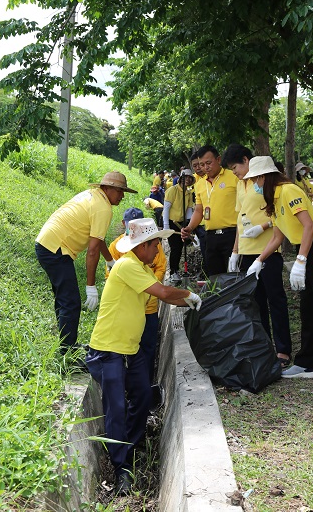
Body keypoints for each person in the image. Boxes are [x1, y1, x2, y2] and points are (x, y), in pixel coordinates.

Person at [86, 218, 202, 494]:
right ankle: (121, 468)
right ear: (142, 246)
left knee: (142, 395)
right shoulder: (127, 265)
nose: (159, 249)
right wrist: (189, 294)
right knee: (116, 407)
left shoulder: (141, 267)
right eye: (155, 244)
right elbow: (163, 292)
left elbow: (164, 296)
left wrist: (189, 300)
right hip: (109, 350)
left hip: (131, 348)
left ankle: (131, 442)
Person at [245, 156, 313, 391]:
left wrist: (301, 260)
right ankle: (305, 364)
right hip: (306, 251)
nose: (254, 184)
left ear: (265, 177)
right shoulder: (273, 198)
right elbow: (277, 236)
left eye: (255, 179)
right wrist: (259, 260)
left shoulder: (288, 190)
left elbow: (309, 226)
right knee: (308, 311)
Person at [35, 171, 137, 354]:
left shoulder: (93, 196)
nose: (122, 195)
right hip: (56, 249)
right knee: (71, 301)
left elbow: (98, 238)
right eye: (119, 191)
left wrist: (109, 260)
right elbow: (92, 251)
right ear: (107, 188)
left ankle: (67, 345)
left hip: (47, 243)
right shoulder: (103, 208)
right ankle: (68, 352)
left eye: (123, 191)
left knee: (65, 298)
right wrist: (91, 286)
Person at [223, 144, 292, 367]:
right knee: (255, 302)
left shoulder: (264, 181)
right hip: (246, 250)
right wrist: (235, 251)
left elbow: (281, 212)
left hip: (268, 248)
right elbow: (239, 219)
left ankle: (283, 349)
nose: (234, 173)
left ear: (246, 160)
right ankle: (264, 346)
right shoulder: (240, 184)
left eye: (235, 167)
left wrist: (263, 226)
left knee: (275, 299)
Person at [108, 208, 167, 382]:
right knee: (127, 351)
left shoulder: (154, 246)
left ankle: (146, 383)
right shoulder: (117, 248)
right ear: (124, 224)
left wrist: (150, 288)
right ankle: (132, 385)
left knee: (148, 347)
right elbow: (110, 276)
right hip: (128, 311)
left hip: (149, 308)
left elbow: (161, 268)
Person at [182, 145, 238, 276]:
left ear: (218, 159)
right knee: (215, 276)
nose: (205, 167)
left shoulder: (234, 177)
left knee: (234, 275)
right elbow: (198, 210)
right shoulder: (200, 184)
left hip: (232, 235)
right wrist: (189, 227)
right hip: (210, 236)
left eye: (208, 163)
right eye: (202, 165)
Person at [163, 169, 196, 282]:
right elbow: (166, 209)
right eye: (186, 177)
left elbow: (189, 210)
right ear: (181, 178)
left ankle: (178, 270)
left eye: (190, 178)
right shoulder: (173, 190)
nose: (188, 180)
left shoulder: (188, 193)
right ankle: (173, 272)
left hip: (181, 223)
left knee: (182, 246)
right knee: (175, 248)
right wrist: (166, 226)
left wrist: (189, 224)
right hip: (172, 222)